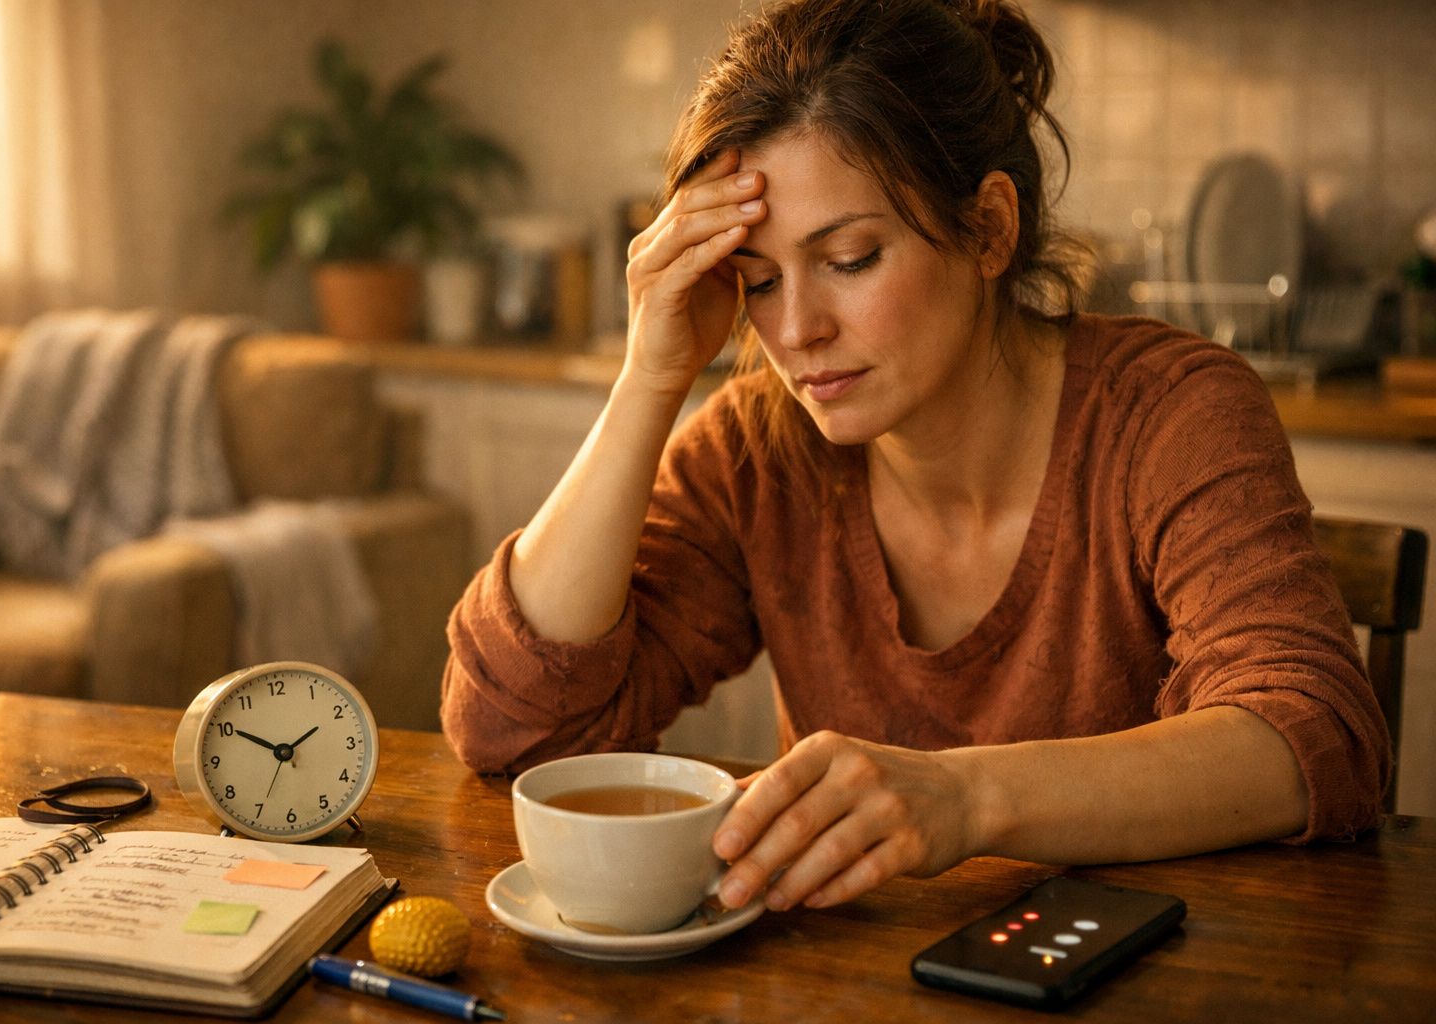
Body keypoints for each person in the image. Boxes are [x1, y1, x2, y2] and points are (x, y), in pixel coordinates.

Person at [441, 0, 1389, 916]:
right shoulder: (758, 448)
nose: (798, 330)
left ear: (988, 230)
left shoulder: (1170, 414)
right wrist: (648, 377)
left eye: (850, 259)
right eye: (760, 280)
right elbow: (514, 729)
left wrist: (963, 800)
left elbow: (1312, 735)